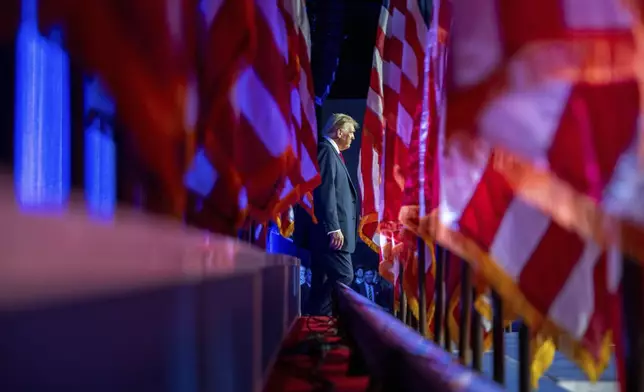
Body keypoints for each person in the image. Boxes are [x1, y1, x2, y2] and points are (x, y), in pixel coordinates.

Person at [293, 113, 359, 316]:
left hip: (329, 235)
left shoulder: (333, 153)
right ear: (339, 132)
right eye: (351, 132)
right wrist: (334, 227)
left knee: (321, 283)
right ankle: (320, 319)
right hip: (331, 235)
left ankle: (316, 324)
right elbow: (325, 191)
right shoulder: (326, 151)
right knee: (345, 276)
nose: (353, 137)